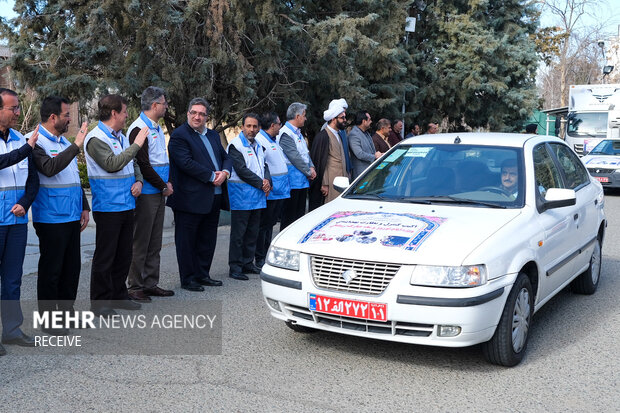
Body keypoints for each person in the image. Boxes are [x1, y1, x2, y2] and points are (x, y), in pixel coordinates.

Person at [28, 96, 90, 336]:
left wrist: (84, 205)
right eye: (66, 115)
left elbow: (73, 178)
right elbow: (50, 169)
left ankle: (66, 313)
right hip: (51, 217)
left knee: (71, 268)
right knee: (51, 271)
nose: (70, 119)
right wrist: (76, 146)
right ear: (52, 117)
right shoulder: (34, 142)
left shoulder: (63, 141)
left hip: (72, 214)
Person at [85, 94, 148, 317]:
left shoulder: (120, 136)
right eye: (124, 112)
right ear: (113, 113)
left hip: (126, 204)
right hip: (108, 206)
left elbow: (133, 162)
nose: (126, 116)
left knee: (123, 255)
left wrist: (139, 180)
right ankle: (100, 302)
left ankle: (118, 295)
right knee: (105, 256)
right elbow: (112, 164)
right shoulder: (96, 138)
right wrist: (137, 145)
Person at [167, 98, 231, 292]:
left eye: (202, 114)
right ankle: (188, 279)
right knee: (187, 241)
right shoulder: (179, 135)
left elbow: (226, 157)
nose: (197, 116)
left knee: (207, 238)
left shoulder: (212, 135)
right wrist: (212, 176)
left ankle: (203, 274)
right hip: (189, 198)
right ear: (188, 113)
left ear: (206, 116)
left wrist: (225, 173)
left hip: (214, 195)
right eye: (194, 112)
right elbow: (185, 163)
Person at [0, 88, 39, 354]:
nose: (18, 113)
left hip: (15, 222)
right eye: (13, 108)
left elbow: (33, 180)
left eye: (17, 108)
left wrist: (24, 203)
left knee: (13, 279)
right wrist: (27, 148)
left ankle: (12, 331)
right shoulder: (25, 144)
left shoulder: (19, 138)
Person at [127, 87, 175, 303]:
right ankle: (135, 286)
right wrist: (163, 185)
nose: (166, 106)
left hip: (159, 190)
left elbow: (160, 160)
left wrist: (166, 183)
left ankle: (150, 283)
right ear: (154, 105)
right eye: (164, 103)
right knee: (141, 241)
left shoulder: (154, 127)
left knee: (155, 241)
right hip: (147, 192)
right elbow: (143, 164)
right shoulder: (139, 128)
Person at [227, 113, 271, 280]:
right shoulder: (235, 146)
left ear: (259, 128)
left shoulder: (258, 144)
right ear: (242, 127)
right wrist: (262, 183)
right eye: (249, 126)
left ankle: (247, 263)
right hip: (242, 197)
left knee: (252, 232)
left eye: (255, 126)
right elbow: (241, 170)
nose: (252, 129)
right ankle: (235, 267)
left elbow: (264, 165)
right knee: (239, 234)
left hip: (257, 196)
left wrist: (267, 180)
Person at [254, 112, 289, 268]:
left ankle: (266, 253)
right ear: (273, 125)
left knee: (269, 225)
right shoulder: (261, 141)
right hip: (270, 192)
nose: (280, 127)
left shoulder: (273, 141)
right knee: (264, 226)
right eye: (279, 124)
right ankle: (260, 256)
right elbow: (262, 166)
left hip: (279, 191)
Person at [277, 103, 316, 229]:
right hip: (291, 182)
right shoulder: (285, 133)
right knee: (289, 218)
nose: (305, 118)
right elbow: (295, 157)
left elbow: (305, 153)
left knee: (299, 217)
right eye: (304, 115)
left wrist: (312, 167)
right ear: (297, 116)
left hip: (301, 181)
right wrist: (308, 171)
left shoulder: (298, 133)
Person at [309, 99, 349, 210]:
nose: (345, 120)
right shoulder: (323, 136)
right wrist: (324, 183)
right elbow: (321, 162)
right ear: (333, 119)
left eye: (345, 117)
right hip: (330, 181)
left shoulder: (339, 134)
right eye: (342, 118)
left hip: (341, 179)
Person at [348, 110, 380, 179]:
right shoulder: (354, 134)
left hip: (370, 173)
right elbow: (359, 154)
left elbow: (371, 150)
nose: (371, 121)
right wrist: (374, 157)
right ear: (363, 121)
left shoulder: (366, 133)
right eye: (369, 119)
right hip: (361, 175)